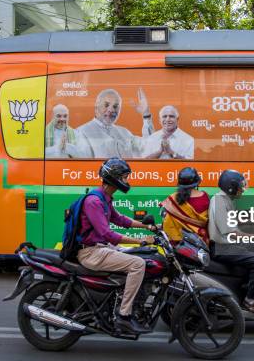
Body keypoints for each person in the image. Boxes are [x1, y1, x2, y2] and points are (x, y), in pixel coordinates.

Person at [77, 158, 156, 333]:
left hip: (101, 248)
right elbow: (108, 234)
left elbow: (120, 220)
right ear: (113, 178)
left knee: (141, 254)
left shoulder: (105, 198)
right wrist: (140, 240)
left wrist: (147, 226)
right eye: (124, 177)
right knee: (138, 264)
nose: (127, 181)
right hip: (91, 252)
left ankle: (122, 299)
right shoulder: (94, 201)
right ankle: (124, 316)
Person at [208, 170, 254, 316]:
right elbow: (232, 233)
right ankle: (250, 301)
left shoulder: (225, 200)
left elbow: (234, 220)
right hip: (222, 248)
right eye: (239, 187)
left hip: (226, 245)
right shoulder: (219, 202)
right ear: (231, 188)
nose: (241, 189)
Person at [77, 88, 153, 158]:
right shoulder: (82, 132)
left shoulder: (125, 133)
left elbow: (149, 147)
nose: (111, 109)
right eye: (106, 105)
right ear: (97, 106)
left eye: (115, 106)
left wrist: (146, 115)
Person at [161, 167, 209, 243]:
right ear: (197, 182)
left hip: (178, 243)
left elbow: (167, 222)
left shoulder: (173, 199)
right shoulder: (204, 196)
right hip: (200, 243)